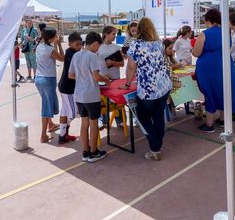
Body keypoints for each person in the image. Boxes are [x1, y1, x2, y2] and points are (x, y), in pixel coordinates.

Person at [122, 18, 173, 160]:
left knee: (144, 118)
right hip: (163, 86)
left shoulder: (136, 44)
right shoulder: (158, 43)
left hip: (148, 89)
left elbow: (131, 67)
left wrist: (127, 83)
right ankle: (158, 146)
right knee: (158, 117)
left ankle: (155, 148)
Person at [192, 8, 235, 132]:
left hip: (208, 68)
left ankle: (209, 124)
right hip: (224, 65)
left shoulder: (204, 34)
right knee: (223, 91)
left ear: (208, 20)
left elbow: (196, 53)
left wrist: (193, 50)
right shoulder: (226, 33)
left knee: (209, 93)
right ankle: (222, 120)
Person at [69, 32, 111, 162]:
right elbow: (96, 76)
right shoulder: (92, 56)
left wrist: (83, 78)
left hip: (79, 94)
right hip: (91, 95)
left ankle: (85, 152)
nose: (98, 49)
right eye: (98, 46)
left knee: (84, 122)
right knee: (93, 123)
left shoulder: (76, 55)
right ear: (95, 44)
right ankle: (94, 152)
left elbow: (71, 75)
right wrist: (106, 80)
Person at [35, 28, 64, 143]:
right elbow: (62, 58)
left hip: (39, 78)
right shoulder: (49, 49)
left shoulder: (40, 47)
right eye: (55, 36)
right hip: (48, 80)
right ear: (51, 38)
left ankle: (50, 124)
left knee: (46, 103)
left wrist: (55, 44)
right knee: (46, 108)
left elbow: (53, 54)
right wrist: (59, 44)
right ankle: (43, 135)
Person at [56, 32, 81, 144]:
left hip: (64, 85)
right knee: (74, 112)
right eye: (77, 44)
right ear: (70, 44)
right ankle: (64, 133)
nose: (79, 47)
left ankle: (63, 136)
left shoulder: (69, 51)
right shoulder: (73, 54)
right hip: (68, 88)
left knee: (65, 111)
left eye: (80, 44)